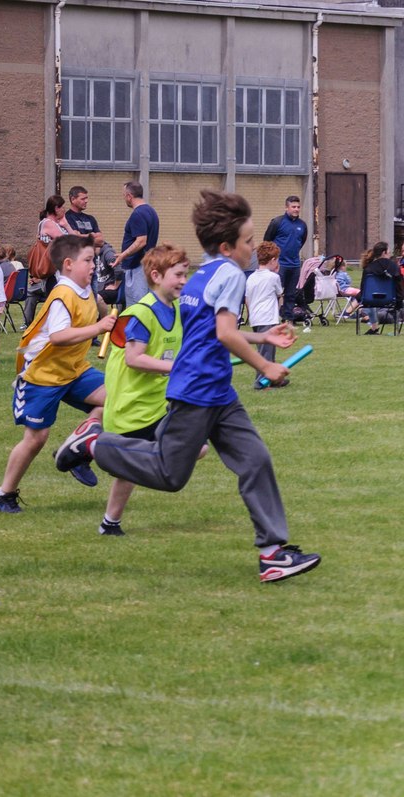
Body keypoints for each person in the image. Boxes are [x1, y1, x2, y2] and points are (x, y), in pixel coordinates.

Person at [53, 190, 321, 584]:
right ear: (227, 246)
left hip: (219, 392)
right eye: (248, 241)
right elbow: (225, 333)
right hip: (197, 391)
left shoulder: (204, 274)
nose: (252, 248)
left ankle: (272, 555)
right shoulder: (231, 274)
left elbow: (212, 330)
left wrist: (264, 337)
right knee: (170, 474)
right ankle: (95, 443)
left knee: (255, 460)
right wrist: (265, 365)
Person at [0, 234, 114, 513]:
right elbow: (58, 336)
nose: (93, 265)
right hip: (42, 376)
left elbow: (96, 306)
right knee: (36, 439)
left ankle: (77, 450)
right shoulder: (62, 295)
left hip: (73, 370)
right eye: (88, 260)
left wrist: (106, 313)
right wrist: (98, 327)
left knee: (116, 399)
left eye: (93, 259)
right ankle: (4, 494)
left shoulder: (85, 289)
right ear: (68, 264)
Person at [96, 244, 188, 537]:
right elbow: (134, 359)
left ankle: (109, 523)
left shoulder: (176, 309)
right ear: (156, 276)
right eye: (178, 275)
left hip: (157, 403)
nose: (184, 281)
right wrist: (175, 368)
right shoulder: (141, 314)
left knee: (189, 449)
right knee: (133, 467)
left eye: (185, 274)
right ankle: (91, 446)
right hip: (132, 405)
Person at [23, 195, 73, 326]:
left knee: (59, 303)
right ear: (56, 208)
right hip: (53, 272)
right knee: (57, 303)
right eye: (62, 207)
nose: (64, 209)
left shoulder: (55, 224)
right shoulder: (48, 223)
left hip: (58, 272)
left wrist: (65, 225)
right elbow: (69, 241)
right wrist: (67, 225)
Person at [114, 181, 160, 309]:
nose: (124, 198)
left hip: (137, 266)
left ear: (129, 196)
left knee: (137, 306)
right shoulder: (151, 211)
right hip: (147, 264)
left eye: (124, 195)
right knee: (149, 304)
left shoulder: (137, 214)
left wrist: (123, 255)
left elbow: (141, 241)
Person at [262, 196, 308, 319]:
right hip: (279, 265)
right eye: (293, 207)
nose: (296, 209)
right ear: (286, 207)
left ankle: (288, 319)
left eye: (298, 207)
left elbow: (301, 241)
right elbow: (267, 241)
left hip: (294, 265)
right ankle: (270, 318)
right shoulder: (277, 222)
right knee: (274, 292)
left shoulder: (302, 225)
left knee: (291, 294)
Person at [245, 242, 285, 385]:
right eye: (277, 259)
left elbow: (247, 299)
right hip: (268, 318)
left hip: (255, 318)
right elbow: (280, 293)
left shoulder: (251, 277)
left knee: (266, 350)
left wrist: (251, 315)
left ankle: (273, 379)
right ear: (273, 260)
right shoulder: (273, 277)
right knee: (266, 352)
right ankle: (261, 381)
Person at [359, 241, 403, 336]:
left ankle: (374, 327)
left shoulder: (368, 268)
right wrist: (399, 301)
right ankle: (397, 330)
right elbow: (399, 286)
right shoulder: (394, 267)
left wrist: (361, 298)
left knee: (370, 303)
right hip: (390, 299)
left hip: (370, 299)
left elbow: (363, 288)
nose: (390, 253)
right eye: (389, 251)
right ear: (384, 252)